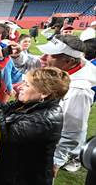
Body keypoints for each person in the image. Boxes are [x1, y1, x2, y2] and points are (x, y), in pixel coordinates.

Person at [0, 67, 70, 185]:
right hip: (11, 172)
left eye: (27, 85)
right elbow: (1, 113)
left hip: (23, 178)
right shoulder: (29, 104)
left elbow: (5, 138)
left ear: (44, 93)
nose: (19, 87)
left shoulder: (45, 119)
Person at [37, 35, 96, 172]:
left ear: (68, 61)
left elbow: (72, 131)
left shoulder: (78, 91)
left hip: (50, 147)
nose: (43, 58)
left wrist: (56, 160)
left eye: (50, 55)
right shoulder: (69, 66)